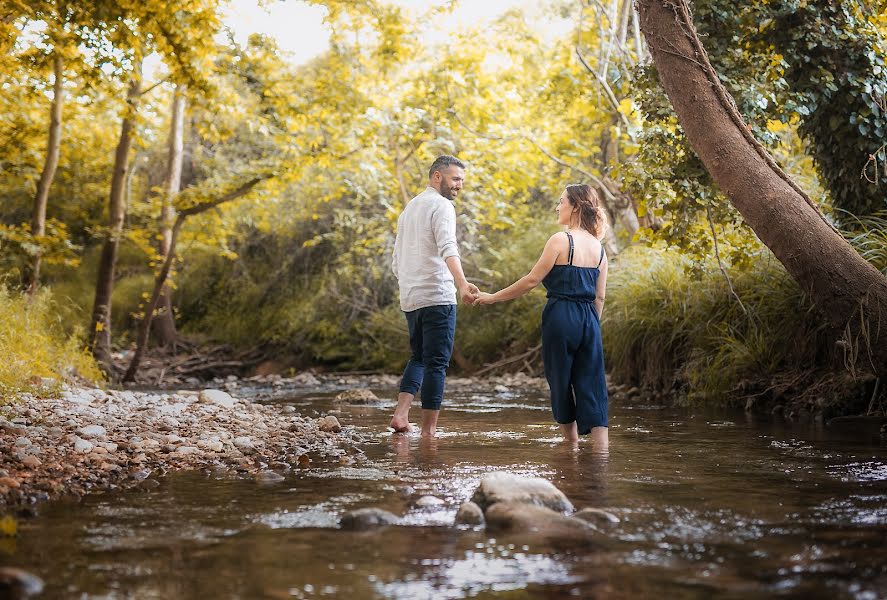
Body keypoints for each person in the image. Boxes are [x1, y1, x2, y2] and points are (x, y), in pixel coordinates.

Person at [476, 184, 609, 446]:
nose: (558, 207)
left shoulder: (561, 240)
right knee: (592, 383)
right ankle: (599, 454)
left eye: (561, 202)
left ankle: (570, 446)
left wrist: (492, 297)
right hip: (590, 320)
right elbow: (600, 297)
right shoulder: (599, 248)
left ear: (576, 207)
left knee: (560, 380)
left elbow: (531, 281)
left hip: (560, 315)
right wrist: (591, 326)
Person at [390, 155, 479, 437]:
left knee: (419, 357)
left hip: (411, 298)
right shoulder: (441, 206)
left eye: (462, 181)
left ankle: (401, 416)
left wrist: (410, 283)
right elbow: (448, 247)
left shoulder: (410, 208)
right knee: (437, 363)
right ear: (437, 176)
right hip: (438, 296)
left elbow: (396, 260)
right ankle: (429, 432)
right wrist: (462, 284)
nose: (459, 186)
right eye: (455, 179)